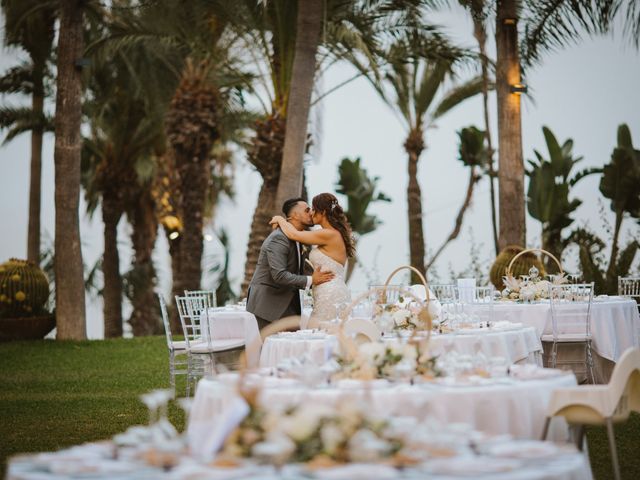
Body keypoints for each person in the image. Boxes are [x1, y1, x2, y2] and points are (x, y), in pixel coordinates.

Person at [246, 197, 334, 330]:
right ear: (294, 216)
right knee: (276, 348)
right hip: (270, 304)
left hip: (288, 302)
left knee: (292, 347)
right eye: (307, 210)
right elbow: (279, 275)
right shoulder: (279, 239)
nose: (311, 213)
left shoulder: (296, 237)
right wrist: (312, 279)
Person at [270, 192, 354, 328]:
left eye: (314, 209)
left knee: (320, 335)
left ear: (323, 212)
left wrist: (280, 219)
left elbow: (293, 234)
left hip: (330, 295)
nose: (311, 213)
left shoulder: (328, 234)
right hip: (327, 293)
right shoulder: (332, 233)